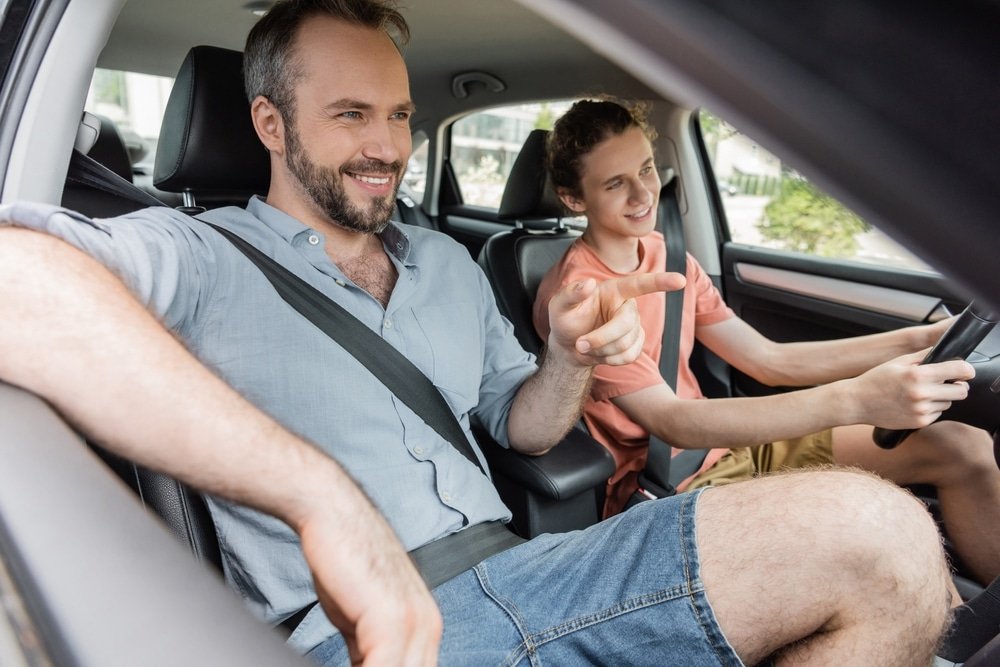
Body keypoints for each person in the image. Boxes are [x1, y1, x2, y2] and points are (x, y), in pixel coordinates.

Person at [0, 2, 961, 665]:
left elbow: (525, 428)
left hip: (527, 568)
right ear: (269, 122)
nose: (386, 147)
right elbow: (17, 281)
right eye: (348, 115)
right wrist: (319, 494)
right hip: (369, 630)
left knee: (897, 546)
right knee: (874, 540)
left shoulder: (449, 266)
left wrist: (566, 363)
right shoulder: (198, 254)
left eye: (399, 116)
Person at [534, 98, 1000, 586]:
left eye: (646, 169)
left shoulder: (670, 258)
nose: (642, 193)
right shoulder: (581, 297)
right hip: (672, 488)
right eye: (615, 183)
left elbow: (767, 360)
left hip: (734, 451)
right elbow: (677, 423)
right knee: (877, 534)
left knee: (959, 444)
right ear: (573, 199)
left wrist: (921, 337)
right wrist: (858, 398)